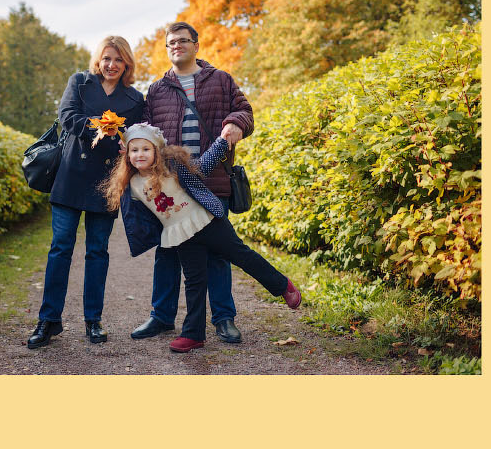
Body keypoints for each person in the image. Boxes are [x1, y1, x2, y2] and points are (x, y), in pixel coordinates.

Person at [108, 123, 302, 353]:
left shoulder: (172, 166)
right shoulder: (132, 185)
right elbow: (137, 219)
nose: (139, 154)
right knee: (194, 282)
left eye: (145, 149)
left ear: (157, 151)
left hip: (207, 221)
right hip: (180, 234)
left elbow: (204, 166)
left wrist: (222, 142)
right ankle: (193, 334)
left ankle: (282, 286)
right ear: (127, 155)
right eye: (134, 150)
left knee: (241, 255)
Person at [130, 21, 253, 344]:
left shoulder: (221, 80)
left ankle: (224, 319)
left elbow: (244, 111)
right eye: (171, 43)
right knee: (168, 251)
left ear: (196, 45)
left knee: (218, 253)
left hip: (213, 180)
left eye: (183, 41)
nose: (176, 46)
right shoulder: (156, 90)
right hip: (171, 186)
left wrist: (235, 125)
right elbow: (146, 133)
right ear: (167, 48)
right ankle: (162, 316)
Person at [26, 37, 147, 349]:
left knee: (97, 252)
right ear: (99, 59)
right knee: (60, 248)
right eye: (107, 58)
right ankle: (48, 320)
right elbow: (67, 116)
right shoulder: (80, 82)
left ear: (127, 64)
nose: (111, 65)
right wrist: (102, 127)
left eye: (118, 60)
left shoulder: (135, 99)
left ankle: (93, 320)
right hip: (70, 177)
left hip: (106, 182)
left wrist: (128, 143)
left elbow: (135, 136)